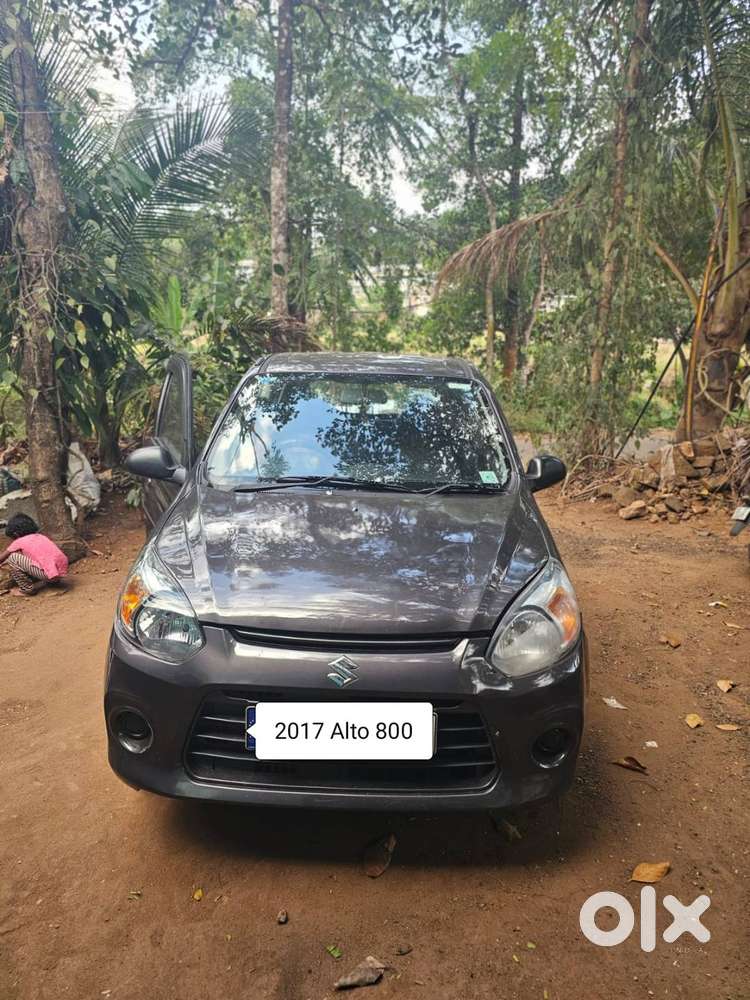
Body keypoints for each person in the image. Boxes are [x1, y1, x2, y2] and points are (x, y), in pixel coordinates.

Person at [0, 514, 69, 597]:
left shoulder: (19, 541)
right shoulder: (41, 536)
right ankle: (54, 582)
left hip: (48, 576)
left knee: (13, 558)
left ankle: (27, 590)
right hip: (62, 572)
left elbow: (2, 558)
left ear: (16, 534)